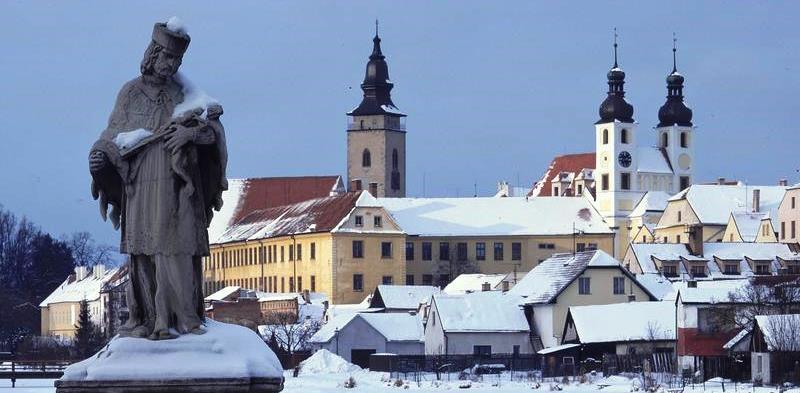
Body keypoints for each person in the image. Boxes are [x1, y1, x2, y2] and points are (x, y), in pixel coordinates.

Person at [88, 20, 227, 340]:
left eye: (177, 61)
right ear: (152, 55)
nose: (172, 65)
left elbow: (214, 130)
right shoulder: (130, 93)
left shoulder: (185, 92)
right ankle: (150, 317)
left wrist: (190, 133)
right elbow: (111, 136)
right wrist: (99, 158)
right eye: (167, 58)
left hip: (177, 184)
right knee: (145, 250)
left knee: (176, 247)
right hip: (140, 183)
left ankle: (183, 318)